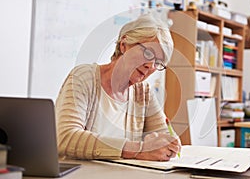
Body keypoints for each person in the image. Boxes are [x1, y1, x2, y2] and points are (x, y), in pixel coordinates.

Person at [55, 13, 181, 161]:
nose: (150, 65)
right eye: (147, 52)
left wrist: (168, 145)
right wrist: (137, 150)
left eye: (158, 62)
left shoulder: (143, 92)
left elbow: (162, 140)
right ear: (124, 45)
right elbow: (65, 137)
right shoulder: (84, 77)